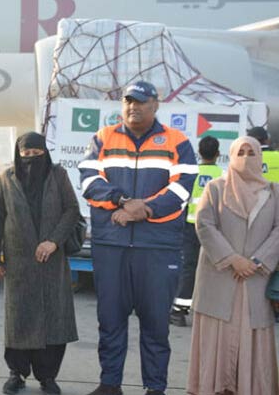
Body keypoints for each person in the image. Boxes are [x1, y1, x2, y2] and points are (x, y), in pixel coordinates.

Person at [78, 81, 197, 395]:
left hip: (158, 248)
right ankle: (110, 384)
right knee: (110, 320)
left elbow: (182, 188)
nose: (133, 107)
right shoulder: (102, 138)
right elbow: (89, 181)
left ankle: (155, 387)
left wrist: (142, 210)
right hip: (111, 245)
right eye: (128, 101)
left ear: (155, 105)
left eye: (140, 101)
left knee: (156, 324)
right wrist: (122, 201)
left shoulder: (178, 141)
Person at [0, 132, 79, 395]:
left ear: (45, 153)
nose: (31, 158)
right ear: (18, 155)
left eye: (36, 154)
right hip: (18, 262)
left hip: (51, 261)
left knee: (53, 320)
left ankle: (47, 376)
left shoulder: (58, 175)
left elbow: (72, 210)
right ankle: (16, 374)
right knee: (19, 321)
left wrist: (53, 241)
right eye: (25, 154)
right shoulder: (7, 179)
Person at [187, 136, 279, 395]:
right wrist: (232, 259)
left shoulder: (274, 192)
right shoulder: (215, 188)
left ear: (260, 157)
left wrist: (258, 261)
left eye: (251, 152)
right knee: (218, 334)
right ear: (231, 155)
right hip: (220, 278)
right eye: (241, 152)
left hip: (256, 277)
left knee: (251, 331)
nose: (246, 158)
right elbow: (204, 225)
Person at [169, 136, 221, 327]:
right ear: (218, 154)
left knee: (188, 269)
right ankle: (210, 313)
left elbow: (181, 201)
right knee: (214, 269)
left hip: (190, 227)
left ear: (199, 153)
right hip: (214, 229)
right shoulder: (223, 175)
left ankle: (178, 312)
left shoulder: (192, 174)